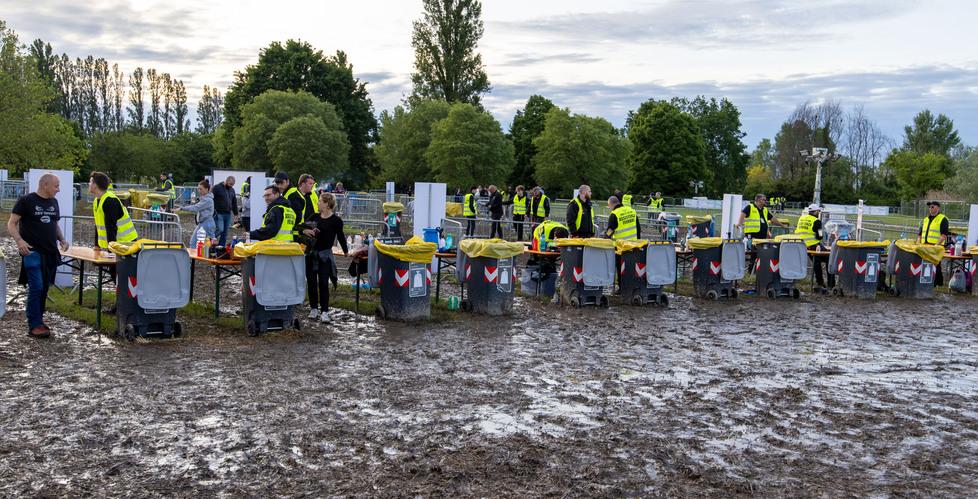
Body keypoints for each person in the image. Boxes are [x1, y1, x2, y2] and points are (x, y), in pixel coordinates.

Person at [8, 174, 70, 338]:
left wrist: (62, 239)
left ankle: (39, 319)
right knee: (36, 287)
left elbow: (54, 224)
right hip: (32, 252)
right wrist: (19, 241)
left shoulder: (54, 202)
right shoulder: (26, 201)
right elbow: (11, 223)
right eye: (56, 186)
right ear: (45, 185)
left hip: (50, 252)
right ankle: (34, 325)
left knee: (44, 288)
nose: (58, 189)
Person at [304, 192, 348, 323]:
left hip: (325, 256)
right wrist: (305, 231)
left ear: (327, 204)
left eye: (320, 201)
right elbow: (301, 228)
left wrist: (346, 251)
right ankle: (313, 309)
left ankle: (324, 311)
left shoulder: (336, 221)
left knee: (323, 283)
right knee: (311, 283)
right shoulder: (314, 217)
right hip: (311, 254)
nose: (317, 203)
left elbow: (341, 236)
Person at [90, 172, 138, 250]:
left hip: (126, 243)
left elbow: (111, 228)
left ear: (95, 185)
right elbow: (98, 224)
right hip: (116, 244)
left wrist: (111, 251)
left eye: (90, 182)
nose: (88, 184)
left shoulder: (110, 201)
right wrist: (97, 245)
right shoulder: (97, 200)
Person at [796, 204, 834, 293]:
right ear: (815, 212)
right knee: (829, 259)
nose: (819, 213)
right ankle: (830, 284)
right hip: (813, 245)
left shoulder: (801, 218)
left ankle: (820, 282)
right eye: (818, 211)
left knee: (816, 262)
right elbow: (820, 236)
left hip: (801, 245)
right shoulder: (816, 221)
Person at [918, 201, 949, 286]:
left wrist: (936, 245)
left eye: (932, 207)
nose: (930, 208)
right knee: (926, 265)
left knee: (936, 265)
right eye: (929, 207)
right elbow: (919, 234)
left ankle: (937, 283)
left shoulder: (943, 219)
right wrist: (918, 244)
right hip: (924, 246)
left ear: (938, 208)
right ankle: (928, 282)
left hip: (935, 246)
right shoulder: (925, 219)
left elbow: (943, 235)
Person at [180, 179, 216, 247]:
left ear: (207, 189)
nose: (199, 191)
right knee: (202, 244)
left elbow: (195, 207)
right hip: (204, 222)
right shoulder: (204, 198)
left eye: (201, 189)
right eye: (198, 189)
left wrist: (181, 208)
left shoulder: (207, 200)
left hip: (206, 223)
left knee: (195, 243)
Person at [212, 176, 238, 247]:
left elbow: (234, 202)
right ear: (226, 181)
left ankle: (221, 247)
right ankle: (209, 239)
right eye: (230, 184)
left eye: (232, 185)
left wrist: (236, 214)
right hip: (218, 213)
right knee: (220, 229)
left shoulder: (232, 190)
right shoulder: (217, 187)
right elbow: (210, 197)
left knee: (225, 232)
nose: (231, 186)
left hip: (228, 214)